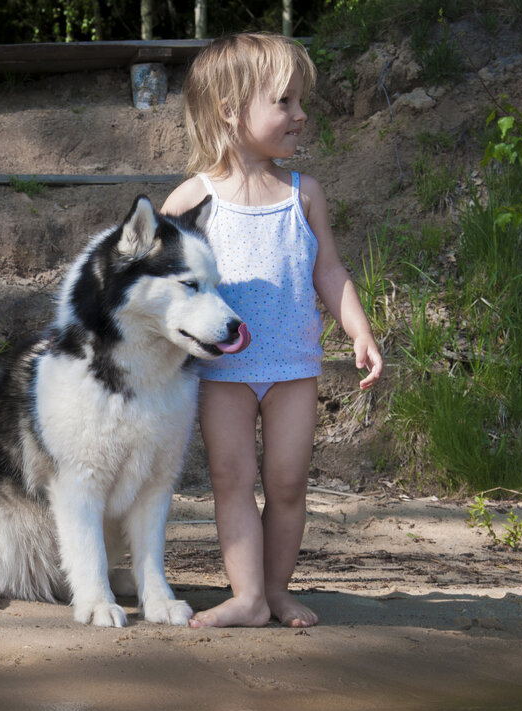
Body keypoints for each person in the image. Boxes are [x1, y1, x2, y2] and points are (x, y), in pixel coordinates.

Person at [161, 32, 383, 629]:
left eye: (300, 101)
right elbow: (158, 283)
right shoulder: (192, 198)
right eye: (284, 102)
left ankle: (277, 589)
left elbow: (329, 270)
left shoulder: (302, 195)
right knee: (232, 479)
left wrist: (358, 331)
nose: (300, 114)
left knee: (287, 483)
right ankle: (248, 596)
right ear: (230, 111)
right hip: (222, 369)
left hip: (293, 367)